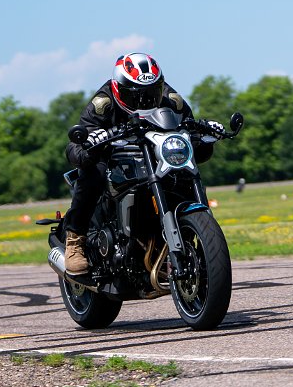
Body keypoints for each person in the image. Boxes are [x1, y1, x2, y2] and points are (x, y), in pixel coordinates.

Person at [62, 52, 219, 280]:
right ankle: (75, 238)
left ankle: (190, 237)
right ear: (119, 88)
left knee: (183, 171)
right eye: (136, 95)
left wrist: (203, 133)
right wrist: (90, 144)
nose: (145, 100)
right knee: (92, 170)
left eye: (151, 93)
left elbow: (189, 128)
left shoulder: (170, 98)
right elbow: (76, 145)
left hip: (154, 158)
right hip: (117, 163)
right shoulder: (103, 103)